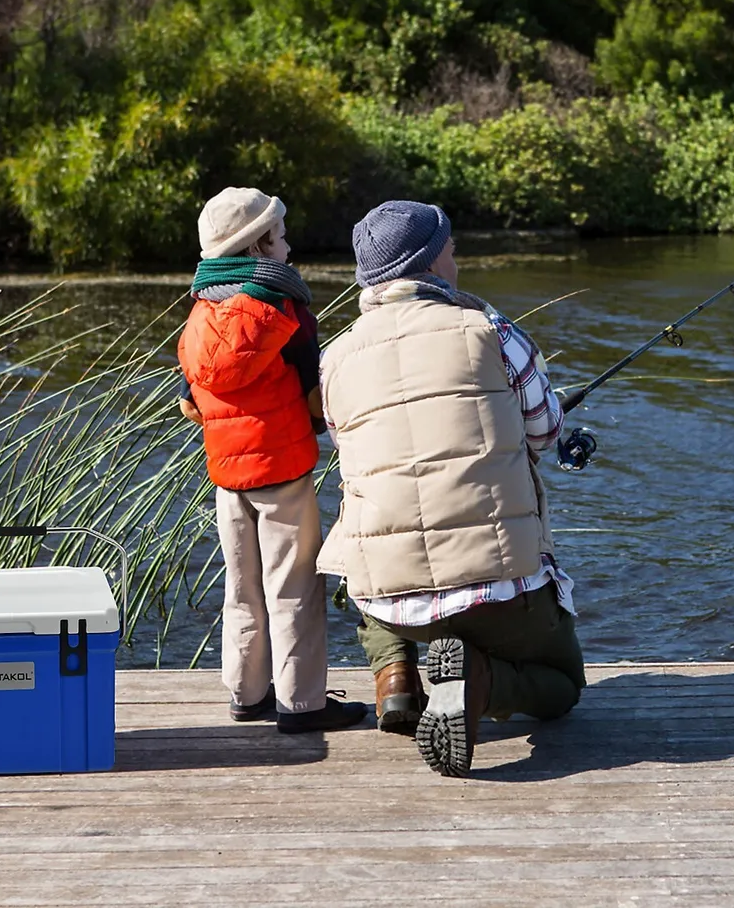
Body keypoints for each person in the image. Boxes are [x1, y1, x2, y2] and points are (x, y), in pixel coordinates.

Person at [317, 199, 585, 774]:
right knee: (562, 685)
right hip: (500, 588)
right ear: (432, 264)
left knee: (366, 565)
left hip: (390, 597)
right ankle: (479, 682)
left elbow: (349, 445)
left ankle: (397, 681)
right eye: (453, 252)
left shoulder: (332, 360)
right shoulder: (489, 329)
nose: (457, 263)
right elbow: (544, 432)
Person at [177, 186, 367, 734]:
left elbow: (190, 404)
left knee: (241, 589)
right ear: (258, 247)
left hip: (227, 478)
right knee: (293, 590)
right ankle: (303, 705)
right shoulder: (283, 310)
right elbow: (314, 395)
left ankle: (245, 693)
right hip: (283, 474)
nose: (288, 245)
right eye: (280, 236)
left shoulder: (196, 316)